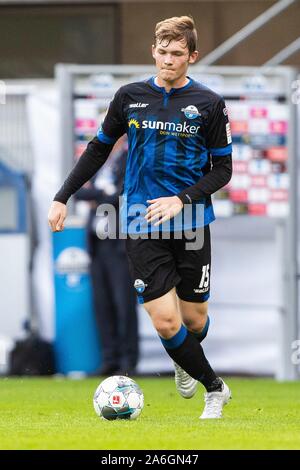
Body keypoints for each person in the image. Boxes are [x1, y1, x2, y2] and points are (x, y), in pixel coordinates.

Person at [48, 15, 233, 419]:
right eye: (162, 53)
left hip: (191, 224)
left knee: (193, 319)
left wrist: (181, 199)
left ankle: (186, 358)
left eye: (177, 54)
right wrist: (63, 196)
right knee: (167, 323)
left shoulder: (209, 104)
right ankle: (215, 389)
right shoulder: (129, 96)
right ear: (153, 51)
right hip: (139, 220)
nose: (168, 60)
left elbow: (223, 170)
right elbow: (98, 149)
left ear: (192, 57)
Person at [74, 138, 139, 376]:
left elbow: (126, 194)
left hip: (119, 244)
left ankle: (128, 361)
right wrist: (103, 193)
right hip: (97, 244)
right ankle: (109, 359)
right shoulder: (98, 162)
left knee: (124, 304)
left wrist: (98, 196)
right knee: (102, 304)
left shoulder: (130, 158)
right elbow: (79, 192)